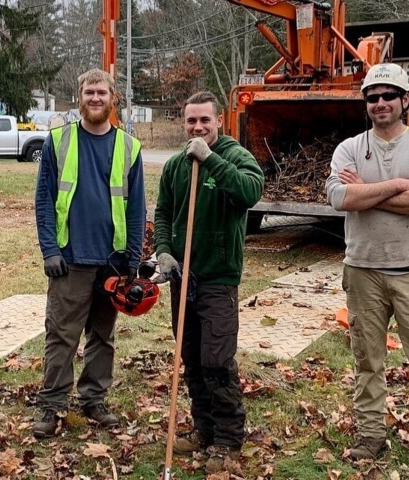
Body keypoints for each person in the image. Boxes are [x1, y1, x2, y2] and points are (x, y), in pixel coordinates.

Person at [325, 63, 409, 461]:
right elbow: (338, 199)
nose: (380, 103)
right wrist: (400, 186)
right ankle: (370, 437)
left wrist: (365, 191)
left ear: (405, 100)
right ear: (366, 104)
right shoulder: (349, 148)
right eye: (372, 97)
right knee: (367, 361)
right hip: (363, 270)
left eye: (388, 96)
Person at [154, 91, 264, 474]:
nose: (197, 127)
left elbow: (250, 191)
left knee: (217, 361)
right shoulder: (174, 166)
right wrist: (165, 251)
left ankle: (228, 438)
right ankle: (203, 428)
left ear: (219, 121)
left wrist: (210, 158)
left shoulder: (235, 157)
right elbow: (164, 212)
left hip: (218, 279)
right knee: (192, 359)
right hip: (183, 278)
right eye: (191, 121)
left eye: (205, 120)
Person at [33, 69, 146, 438]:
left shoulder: (130, 147)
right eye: (88, 92)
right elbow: (44, 201)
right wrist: (50, 248)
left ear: (114, 98)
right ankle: (51, 405)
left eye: (101, 92)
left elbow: (136, 207)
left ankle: (94, 398)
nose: (95, 98)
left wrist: (132, 257)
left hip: (112, 262)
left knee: (103, 334)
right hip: (69, 258)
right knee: (62, 335)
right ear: (78, 97)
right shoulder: (58, 142)